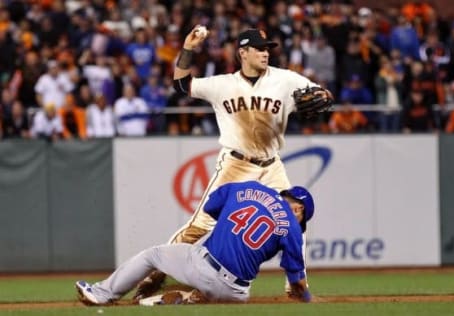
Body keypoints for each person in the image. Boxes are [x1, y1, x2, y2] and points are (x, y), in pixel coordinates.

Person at [133, 26, 332, 299]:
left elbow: (321, 93)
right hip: (236, 164)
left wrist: (325, 96)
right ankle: (155, 273)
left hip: (272, 165)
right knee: (200, 227)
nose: (265, 53)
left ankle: (296, 287)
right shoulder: (222, 85)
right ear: (243, 53)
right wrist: (189, 48)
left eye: (267, 49)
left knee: (293, 222)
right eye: (259, 48)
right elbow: (181, 84)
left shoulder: (285, 80)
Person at [75, 181, 314, 305]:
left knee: (152, 255)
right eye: (303, 217)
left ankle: (102, 294)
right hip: (235, 293)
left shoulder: (248, 187)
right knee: (224, 291)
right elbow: (297, 284)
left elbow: (211, 208)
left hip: (202, 267)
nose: (299, 221)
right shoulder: (292, 228)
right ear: (298, 208)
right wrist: (306, 299)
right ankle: (191, 298)